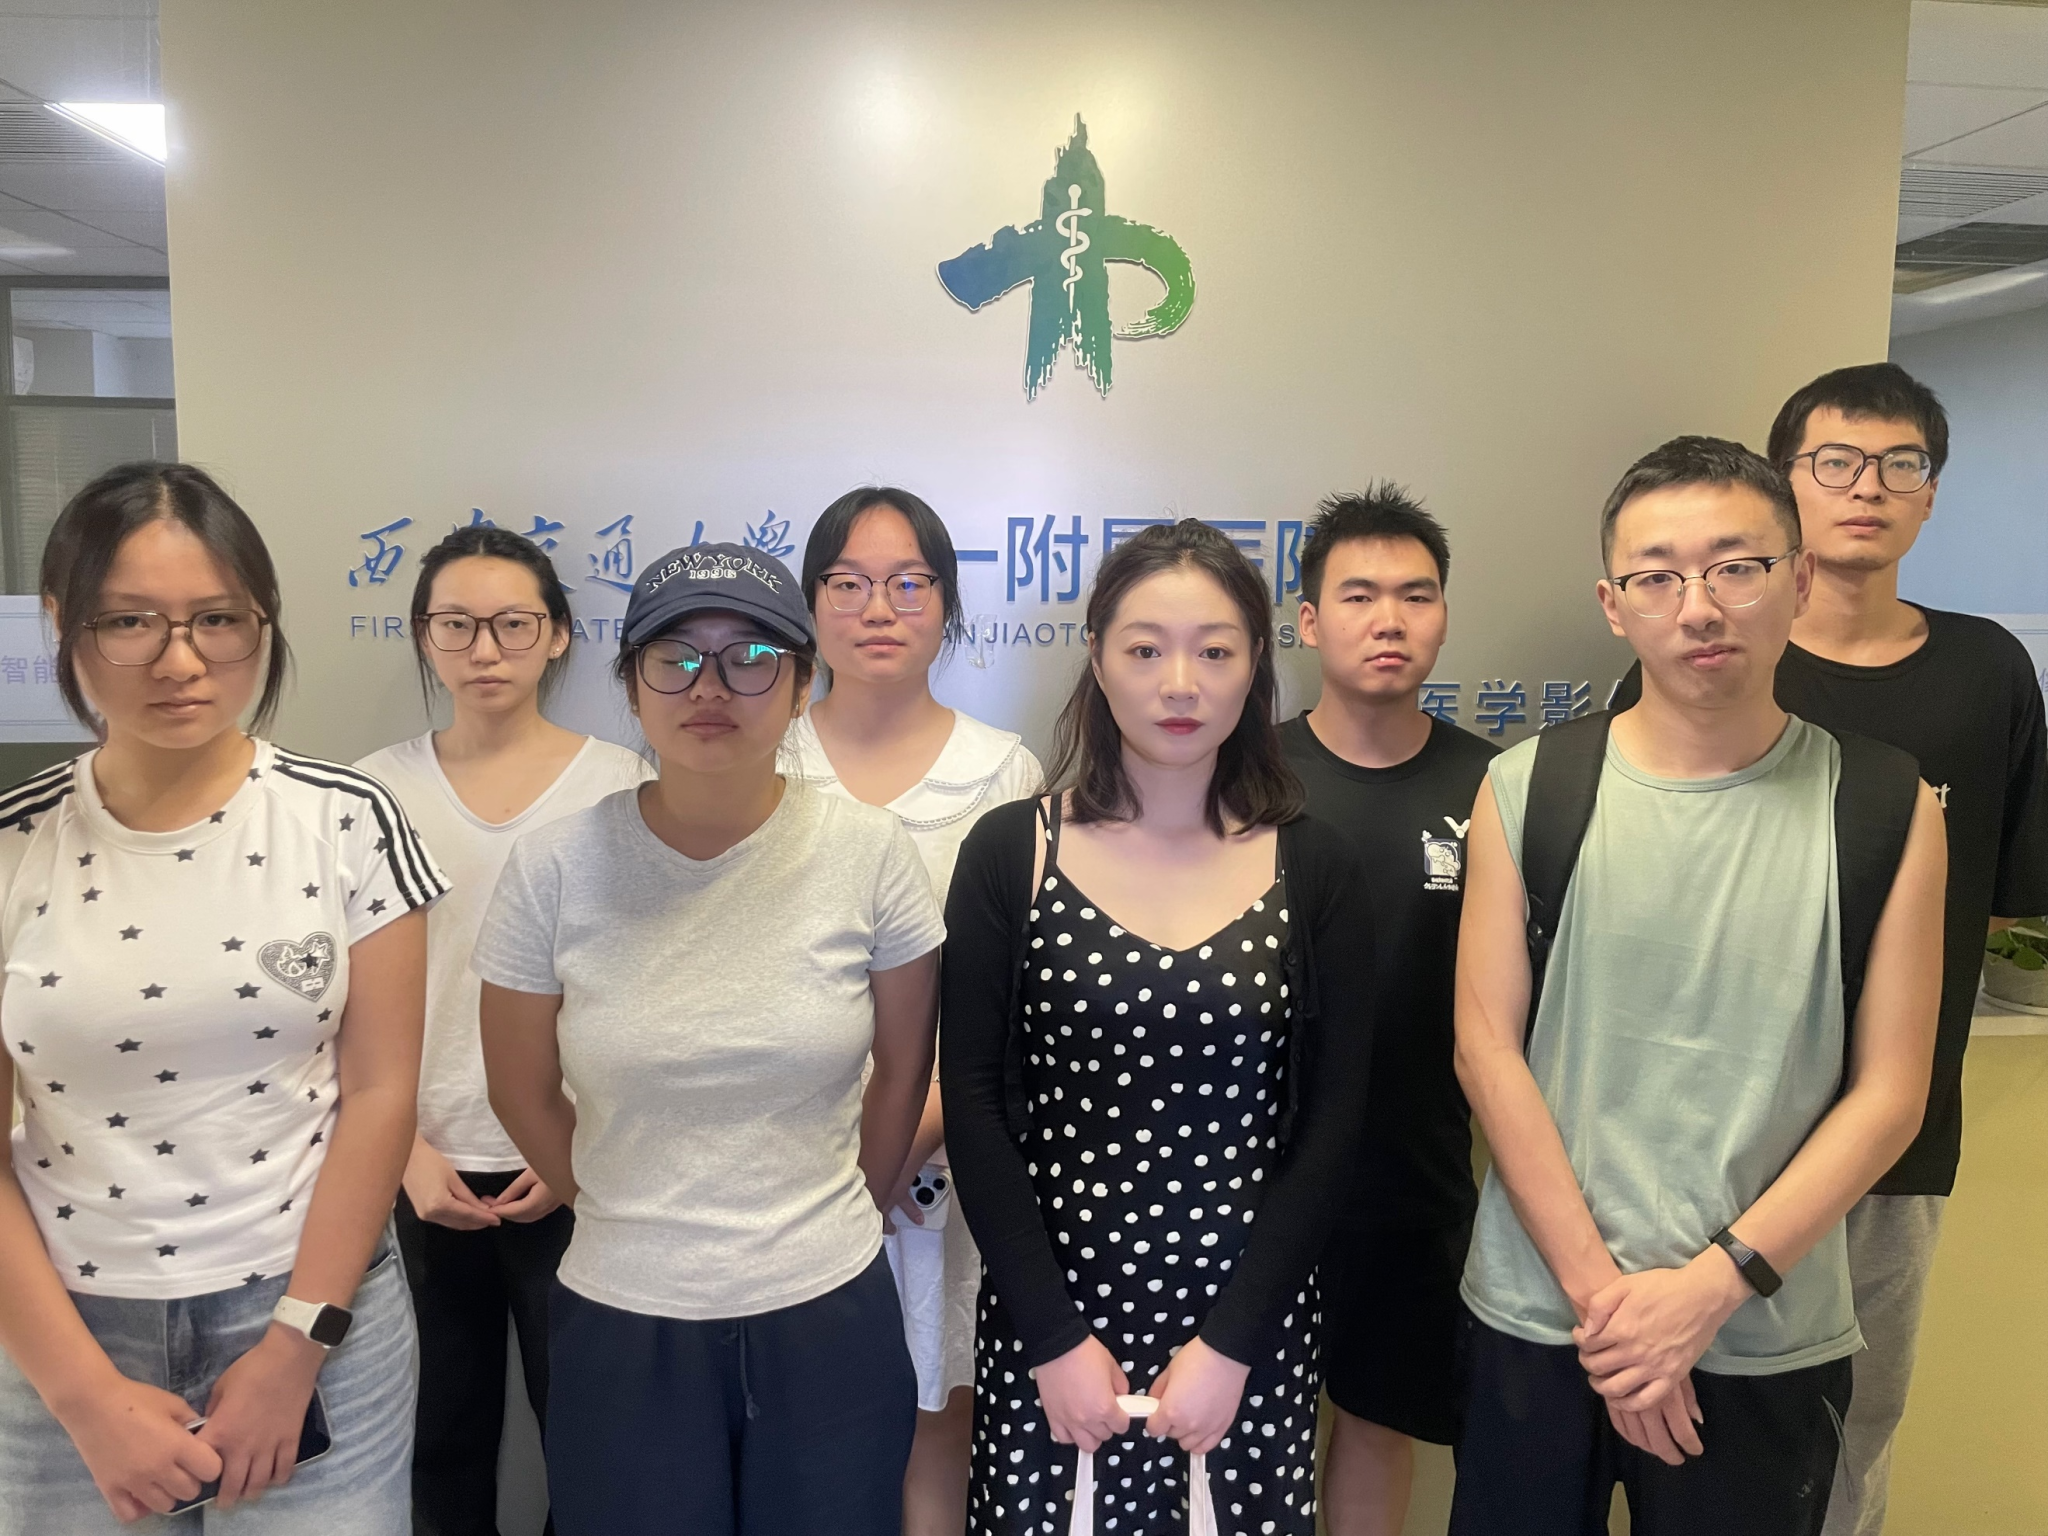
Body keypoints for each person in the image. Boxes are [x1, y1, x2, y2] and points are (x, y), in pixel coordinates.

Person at [1451, 437, 1945, 1536]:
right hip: (1543, 1318)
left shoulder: (1881, 804)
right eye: (1657, 577)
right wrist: (1617, 1318)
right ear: (1612, 604)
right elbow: (1484, 1051)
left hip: (1762, 1330)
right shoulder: (1527, 787)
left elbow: (1890, 1094)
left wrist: (1707, 1292)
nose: (1699, 607)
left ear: (1798, 580)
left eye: (1736, 567)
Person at [1608, 368, 2048, 1535]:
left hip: (1888, 1148)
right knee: (1680, 1433)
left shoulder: (1984, 672)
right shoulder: (1707, 650)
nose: (1867, 488)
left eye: (1900, 464)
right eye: (1834, 463)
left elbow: (1993, 904)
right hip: (1699, 1140)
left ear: (1930, 493)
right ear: (1783, 484)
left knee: (1848, 1438)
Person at [0, 461, 445, 1533]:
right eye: (129, 621)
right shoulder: (14, 845)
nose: (181, 660)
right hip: (63, 1329)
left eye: (217, 619)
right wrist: (84, 1396)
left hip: (313, 1317)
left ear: (263, 620)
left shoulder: (349, 821)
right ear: (61, 622)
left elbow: (380, 1095)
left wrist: (296, 1344)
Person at [474, 542, 944, 1536]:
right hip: (621, 1313)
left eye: (750, 658)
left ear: (802, 685)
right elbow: (519, 1088)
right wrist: (620, 1209)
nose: (709, 686)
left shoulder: (869, 853)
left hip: (827, 1307)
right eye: (675, 657)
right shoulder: (553, 867)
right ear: (630, 686)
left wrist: (838, 1211)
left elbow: (906, 1068)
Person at [942, 519, 1376, 1536]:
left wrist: (1232, 1345)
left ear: (1255, 663)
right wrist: (1052, 1340)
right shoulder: (1013, 851)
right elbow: (973, 1103)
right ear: (1097, 658)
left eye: (1214, 651)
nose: (1180, 683)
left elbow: (1331, 1125)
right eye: (1145, 649)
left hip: (1246, 1326)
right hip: (1054, 1322)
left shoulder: (1314, 865)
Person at [357, 524, 651, 1536]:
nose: (484, 649)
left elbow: (644, 985)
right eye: (456, 625)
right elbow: (339, 1003)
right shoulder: (369, 794)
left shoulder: (621, 785)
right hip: (418, 1167)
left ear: (558, 634)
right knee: (435, 1446)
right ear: (422, 636)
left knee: (593, 1442)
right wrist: (403, 1150)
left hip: (580, 1168)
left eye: (513, 624)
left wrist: (573, 1147)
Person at [781, 487, 1041, 1536]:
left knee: (941, 1415)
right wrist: (842, 1160)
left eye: (907, 583)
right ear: (809, 604)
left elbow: (1017, 999)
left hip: (952, 1153)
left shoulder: (1004, 772)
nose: (878, 608)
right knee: (805, 1426)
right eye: (847, 583)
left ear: (946, 602)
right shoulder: (760, 756)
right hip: (786, 1163)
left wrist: (904, 1139)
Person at [1281, 487, 1497, 1536]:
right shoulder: (1244, 776)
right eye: (1358, 595)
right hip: (1255, 1175)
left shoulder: (1494, 786)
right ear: (1308, 620)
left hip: (1413, 1178)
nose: (1389, 620)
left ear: (1443, 616)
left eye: (1416, 595)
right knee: (1233, 1425)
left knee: (1377, 1425)